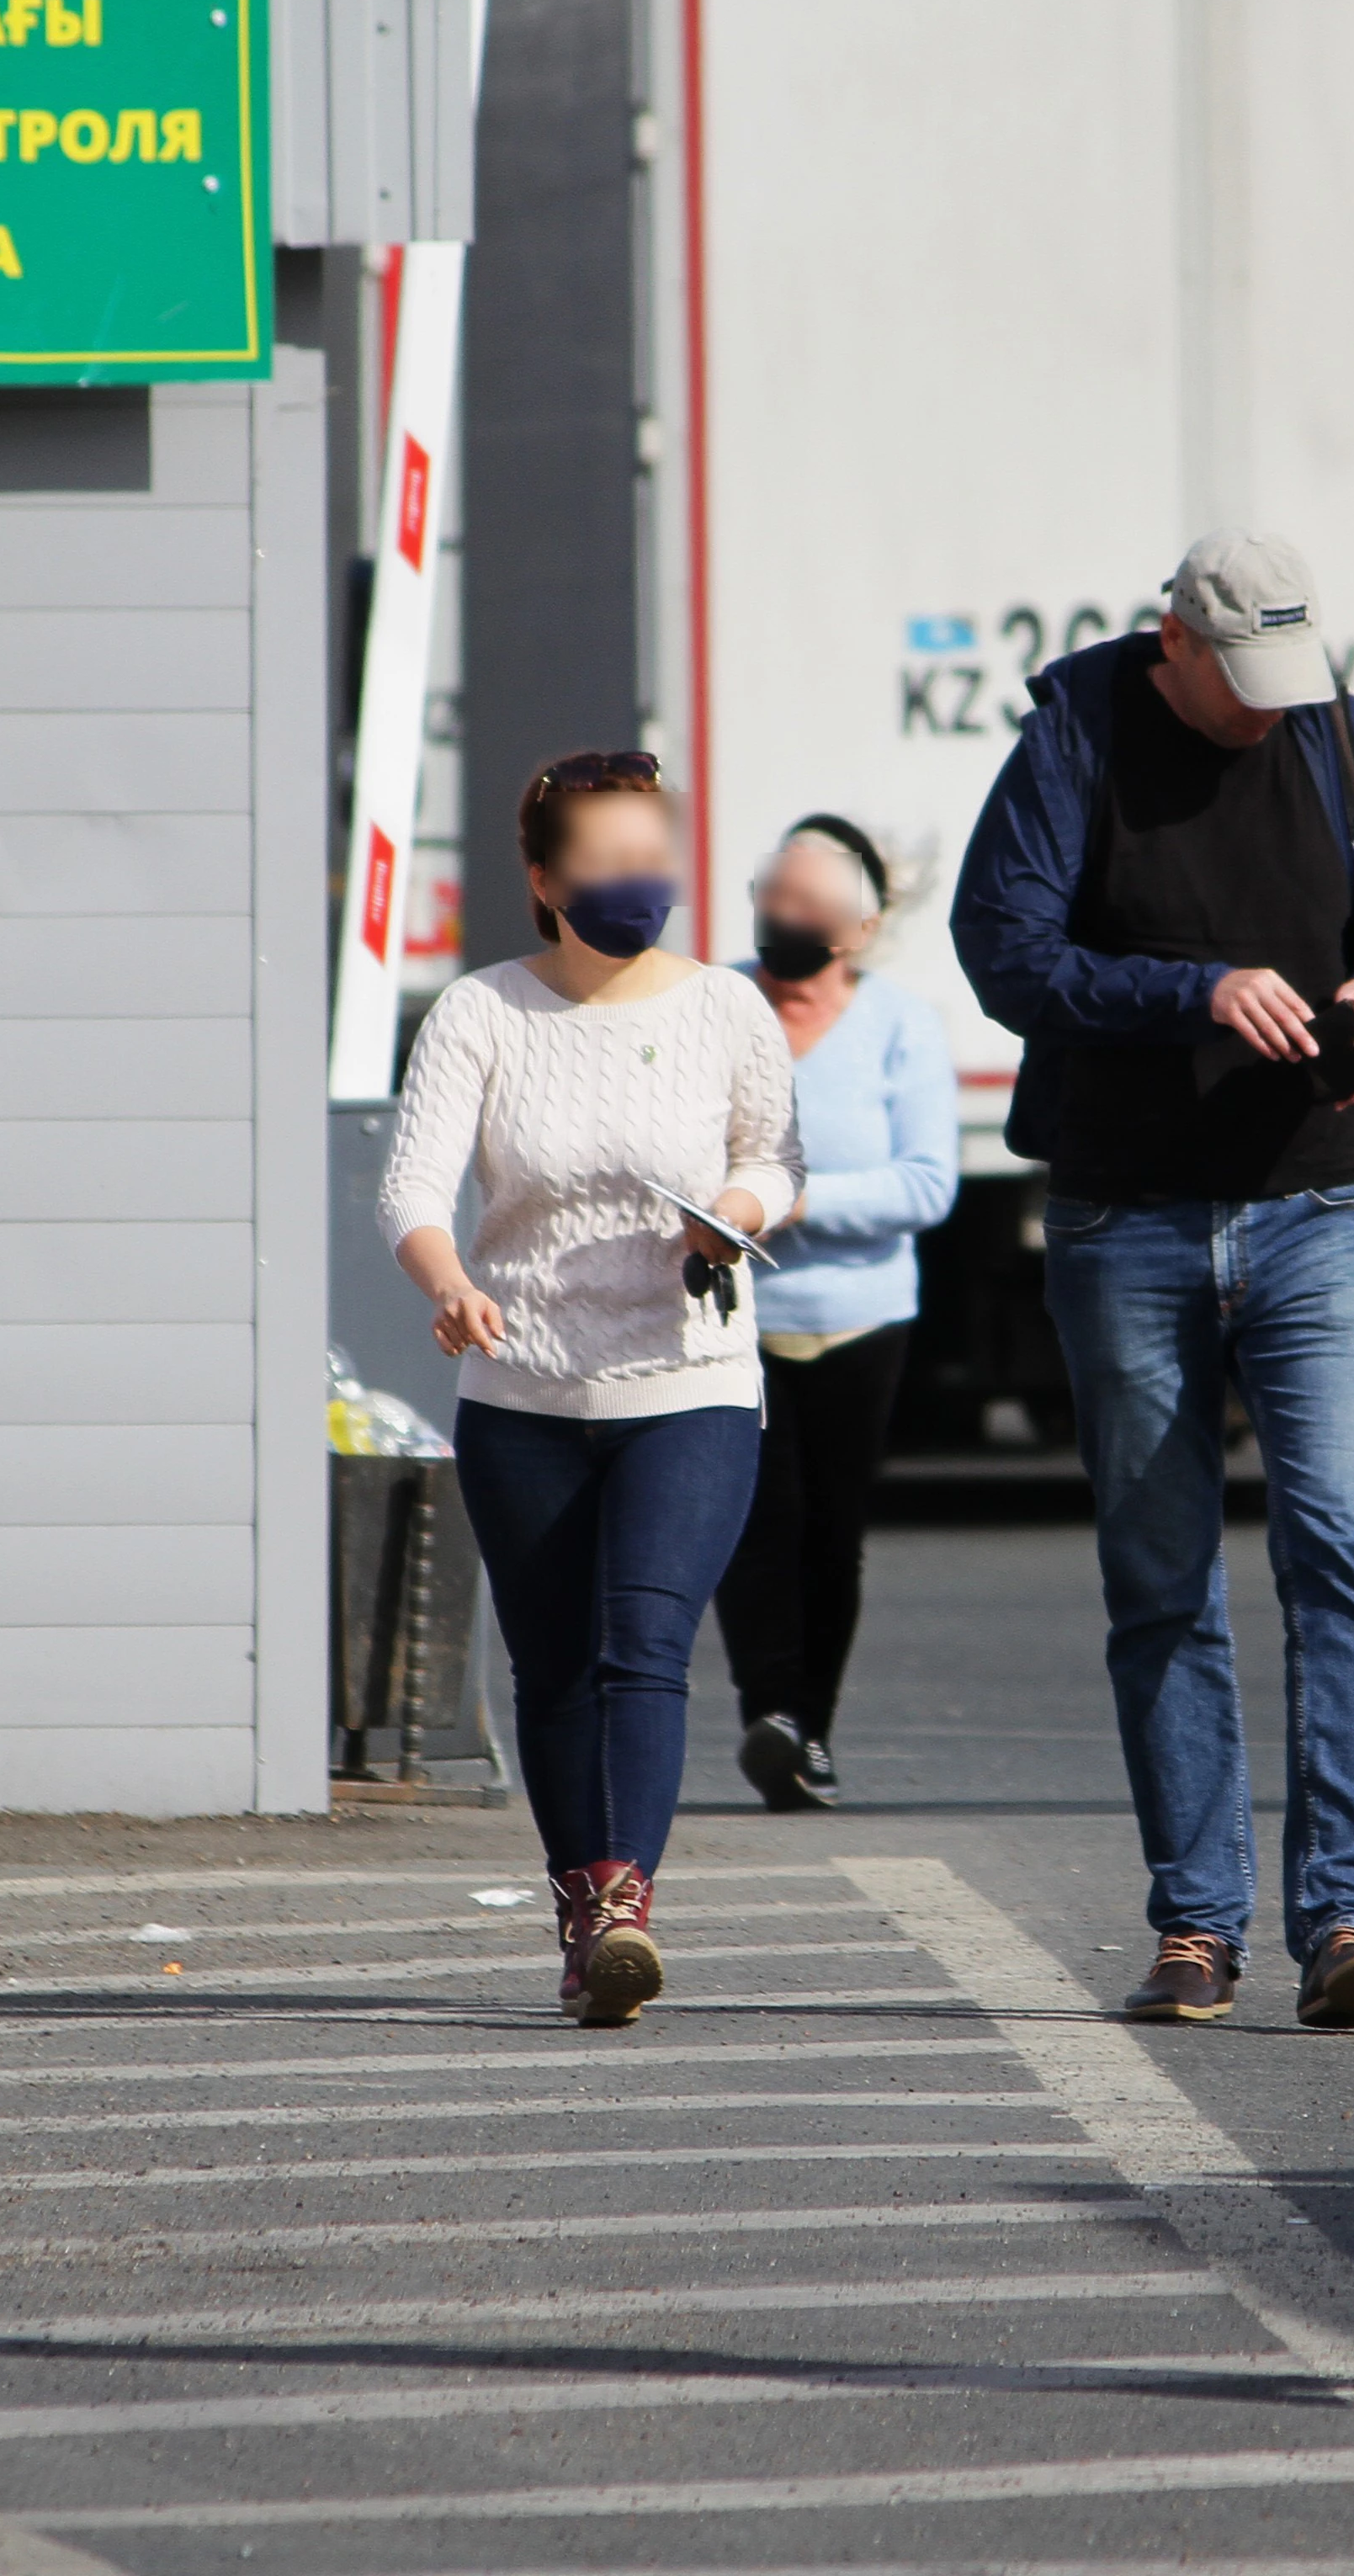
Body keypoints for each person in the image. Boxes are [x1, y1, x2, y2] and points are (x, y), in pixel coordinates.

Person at [951, 533, 1354, 2032]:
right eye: (1235, 681)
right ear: (1167, 645)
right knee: (1159, 1576)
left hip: (1316, 1202)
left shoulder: (1340, 736)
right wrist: (1188, 989)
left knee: (1339, 1551)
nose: (1262, 710)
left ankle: (1342, 1917)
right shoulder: (1072, 734)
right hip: (1122, 1217)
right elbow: (1000, 951)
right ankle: (1194, 1923)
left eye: (1283, 680)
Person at [380, 752, 804, 2026]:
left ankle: (624, 1901)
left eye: (652, 861)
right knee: (553, 1662)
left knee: (644, 1647)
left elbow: (775, 1159)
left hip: (693, 1378)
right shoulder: (483, 1012)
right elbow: (413, 1188)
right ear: (545, 879)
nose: (637, 886)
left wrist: (733, 1212)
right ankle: (582, 1911)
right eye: (608, 866)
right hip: (523, 1394)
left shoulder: (728, 1007)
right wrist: (448, 1280)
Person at [719, 814, 960, 1810]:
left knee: (833, 1530)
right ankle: (768, 1713)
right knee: (751, 1521)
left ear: (856, 929)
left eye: (806, 907)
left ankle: (809, 1729)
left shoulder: (901, 1025)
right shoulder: (717, 1003)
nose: (782, 919)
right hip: (738, 1313)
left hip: (863, 1320)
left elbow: (928, 1185)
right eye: (771, 898)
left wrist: (799, 1200)